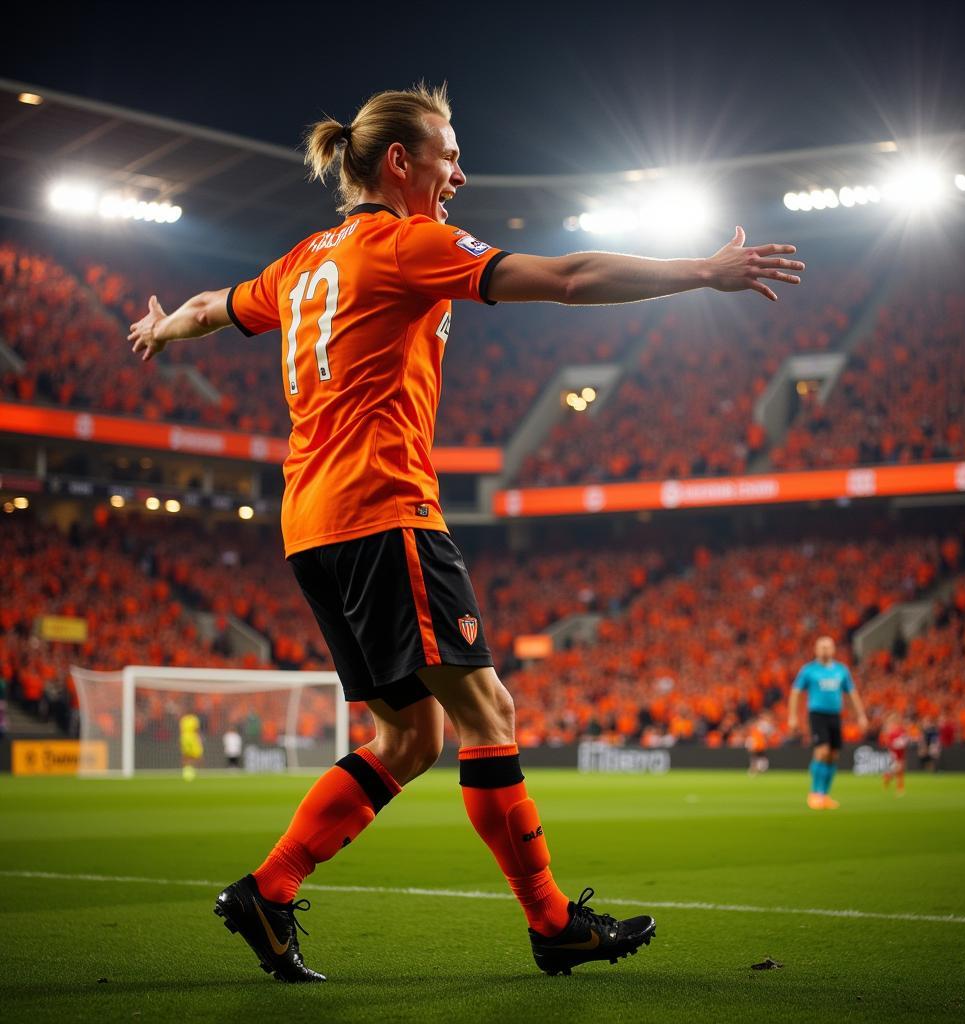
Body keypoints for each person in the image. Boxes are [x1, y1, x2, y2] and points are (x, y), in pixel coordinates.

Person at [127, 83, 803, 983]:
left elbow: (218, 304)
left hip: (310, 526)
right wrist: (699, 272)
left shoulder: (301, 263)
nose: (461, 173)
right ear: (400, 164)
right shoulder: (405, 243)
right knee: (490, 714)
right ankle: (553, 921)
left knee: (411, 739)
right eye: (448, 155)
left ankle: (271, 889)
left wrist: (165, 328)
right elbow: (563, 278)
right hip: (384, 511)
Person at [787, 635, 867, 810]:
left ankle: (825, 794)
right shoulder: (808, 670)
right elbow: (795, 692)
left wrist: (861, 715)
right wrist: (792, 716)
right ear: (816, 650)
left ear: (833, 649)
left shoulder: (841, 670)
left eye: (828, 647)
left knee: (833, 755)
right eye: (821, 647)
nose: (825, 650)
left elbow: (851, 694)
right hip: (817, 714)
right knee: (822, 751)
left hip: (835, 715)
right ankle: (814, 793)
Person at [879, 712, 907, 796]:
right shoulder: (891, 732)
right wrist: (896, 744)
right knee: (899, 770)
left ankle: (888, 778)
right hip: (895, 753)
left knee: (899, 770)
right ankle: (899, 788)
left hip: (901, 752)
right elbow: (889, 743)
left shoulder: (901, 730)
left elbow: (904, 740)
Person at [179, 712, 203, 781]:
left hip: (185, 738)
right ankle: (191, 772)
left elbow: (181, 730)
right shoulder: (194, 719)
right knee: (196, 756)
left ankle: (187, 772)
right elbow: (197, 730)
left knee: (187, 756)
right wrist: (199, 738)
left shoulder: (183, 719)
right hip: (192, 738)